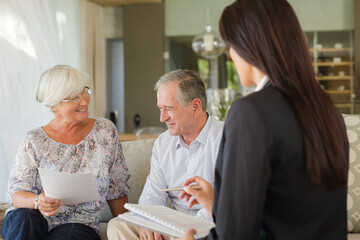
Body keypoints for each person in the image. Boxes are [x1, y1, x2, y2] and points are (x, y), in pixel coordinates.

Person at [177, 0, 349, 239]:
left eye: (230, 45)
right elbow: (291, 212)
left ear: (248, 45)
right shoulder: (329, 112)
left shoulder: (251, 113)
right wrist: (219, 204)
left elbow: (236, 236)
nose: (230, 55)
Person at [0, 65, 130, 240]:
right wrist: (38, 201)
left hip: (79, 224)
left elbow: (116, 189)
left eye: (85, 92)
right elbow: (17, 193)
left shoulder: (105, 131)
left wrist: (128, 229)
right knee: (25, 220)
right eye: (74, 98)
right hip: (33, 217)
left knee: (69, 236)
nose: (84, 101)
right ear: (54, 105)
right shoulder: (34, 139)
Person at [107, 70, 224, 240]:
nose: (162, 118)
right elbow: (151, 195)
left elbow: (230, 203)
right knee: (117, 226)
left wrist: (186, 231)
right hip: (173, 229)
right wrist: (148, 222)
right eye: (160, 109)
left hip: (211, 227)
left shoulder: (227, 139)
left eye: (169, 109)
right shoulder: (163, 143)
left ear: (196, 106)